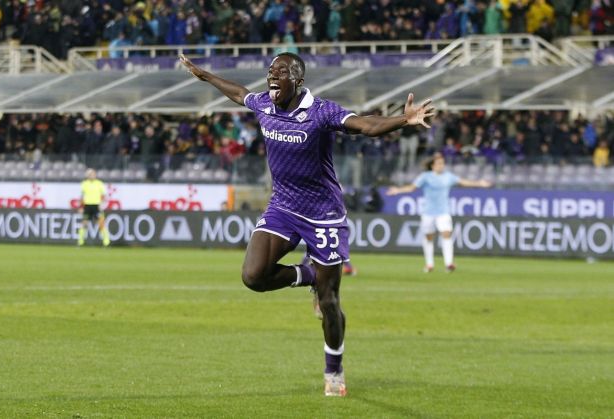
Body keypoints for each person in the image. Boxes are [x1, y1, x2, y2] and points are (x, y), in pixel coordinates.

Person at [179, 52, 434, 397]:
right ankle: (308, 275)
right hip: (283, 207)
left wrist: (402, 121)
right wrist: (205, 75)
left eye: (280, 73)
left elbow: (366, 126)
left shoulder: (320, 112)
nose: (272, 78)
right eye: (270, 71)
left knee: (329, 301)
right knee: (253, 276)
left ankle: (334, 369)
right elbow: (240, 94)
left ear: (297, 80)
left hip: (323, 215)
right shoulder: (265, 105)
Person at [386, 153, 491, 273]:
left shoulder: (448, 176)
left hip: (443, 211)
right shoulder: (425, 176)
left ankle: (449, 263)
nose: (441, 166)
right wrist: (397, 190)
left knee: (446, 234)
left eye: (442, 163)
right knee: (429, 237)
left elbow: (463, 182)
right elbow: (411, 188)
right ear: (432, 166)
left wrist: (479, 183)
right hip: (428, 212)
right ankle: (429, 264)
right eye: (439, 163)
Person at [77, 168, 110, 247]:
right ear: (88, 176)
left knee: (101, 223)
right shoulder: (84, 184)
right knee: (84, 223)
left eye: (93, 174)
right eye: (90, 174)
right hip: (87, 206)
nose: (92, 176)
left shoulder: (99, 183)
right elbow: (81, 197)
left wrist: (102, 204)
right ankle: (80, 241)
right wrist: (81, 207)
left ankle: (106, 242)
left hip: (96, 206)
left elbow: (104, 196)